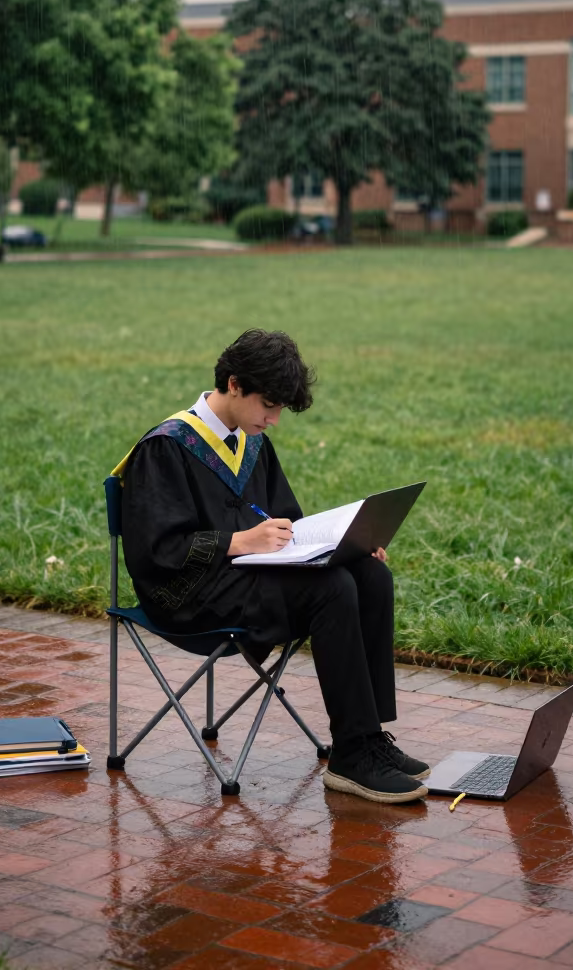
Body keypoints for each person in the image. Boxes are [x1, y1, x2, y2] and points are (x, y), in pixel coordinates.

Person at [118, 328, 429, 804]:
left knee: (367, 576)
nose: (275, 419)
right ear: (235, 384)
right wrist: (238, 541)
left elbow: (289, 524)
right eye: (270, 405)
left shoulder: (251, 442)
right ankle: (350, 756)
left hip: (246, 580)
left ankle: (369, 739)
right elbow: (154, 551)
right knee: (331, 591)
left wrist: (347, 546)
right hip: (187, 594)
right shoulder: (167, 446)